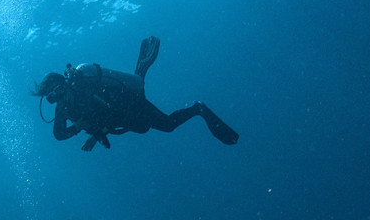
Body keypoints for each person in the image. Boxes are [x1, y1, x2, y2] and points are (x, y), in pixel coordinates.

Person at [33, 36, 239, 151]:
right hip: (120, 120)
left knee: (167, 125)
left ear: (65, 83)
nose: (58, 97)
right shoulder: (63, 107)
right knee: (143, 128)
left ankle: (198, 108)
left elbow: (111, 108)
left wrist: (97, 134)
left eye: (58, 90)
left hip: (129, 103)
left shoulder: (85, 87)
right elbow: (59, 135)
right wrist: (84, 128)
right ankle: (139, 75)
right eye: (52, 97)